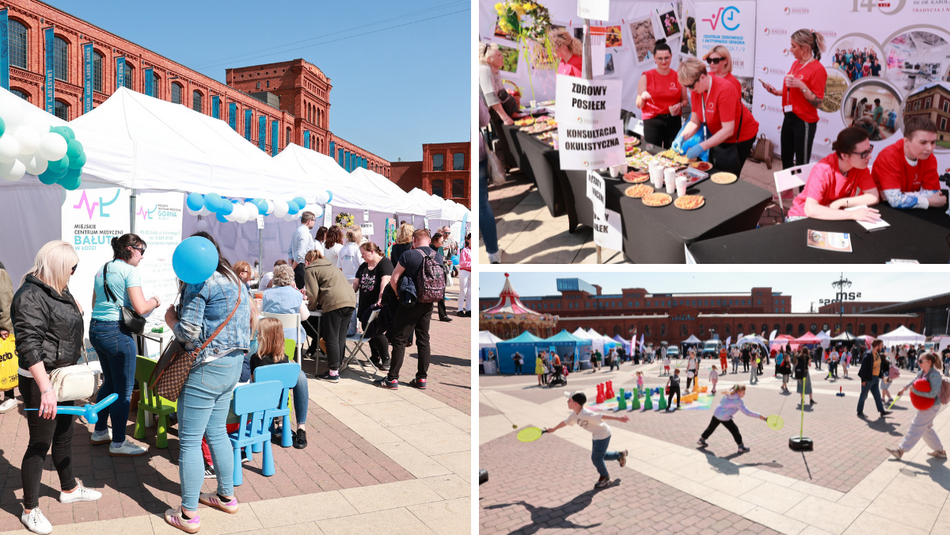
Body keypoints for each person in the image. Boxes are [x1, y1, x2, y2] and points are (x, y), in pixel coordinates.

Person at [162, 232, 253, 532]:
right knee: (217, 432)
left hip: (206, 368)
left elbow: (188, 332)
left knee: (189, 440)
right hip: (233, 364)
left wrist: (171, 319)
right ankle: (226, 495)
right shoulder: (237, 281)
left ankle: (187, 514)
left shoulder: (201, 281)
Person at [12, 241, 102, 534]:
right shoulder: (29, 296)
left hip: (64, 375)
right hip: (43, 380)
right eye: (71, 268)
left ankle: (69, 488)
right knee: (40, 443)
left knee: (65, 435)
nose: (74, 273)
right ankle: (30, 508)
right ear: (59, 267)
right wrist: (46, 389)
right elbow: (29, 346)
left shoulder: (58, 289)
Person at [88, 234, 159, 457]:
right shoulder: (130, 271)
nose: (142, 255)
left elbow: (94, 303)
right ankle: (118, 442)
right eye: (141, 250)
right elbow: (141, 308)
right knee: (124, 391)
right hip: (117, 332)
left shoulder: (103, 269)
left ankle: (100, 431)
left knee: (109, 382)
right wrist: (155, 301)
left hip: (96, 328)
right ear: (129, 249)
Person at [375, 229, 443, 390]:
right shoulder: (438, 256)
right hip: (428, 302)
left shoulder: (409, 255)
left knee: (399, 339)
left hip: (409, 302)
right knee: (423, 339)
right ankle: (421, 379)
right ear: (428, 240)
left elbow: (394, 278)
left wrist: (398, 295)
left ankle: (392, 378)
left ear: (414, 240)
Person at [675, 57, 760, 176]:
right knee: (715, 171)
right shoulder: (697, 90)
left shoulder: (724, 89)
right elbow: (694, 121)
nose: (690, 90)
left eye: (691, 86)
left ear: (702, 77)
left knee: (729, 175)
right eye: (686, 87)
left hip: (740, 136)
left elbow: (728, 130)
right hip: (720, 133)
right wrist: (682, 137)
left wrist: (701, 146)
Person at [759, 29, 827, 170]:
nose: (790, 49)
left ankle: (803, 192)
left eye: (794, 46)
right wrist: (777, 92)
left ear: (805, 48)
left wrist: (802, 86)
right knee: (786, 159)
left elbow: (818, 103)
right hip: (789, 118)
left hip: (805, 122)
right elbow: (791, 90)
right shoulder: (796, 64)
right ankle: (787, 192)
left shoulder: (818, 69)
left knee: (802, 164)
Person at [785, 127, 881, 222]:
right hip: (802, 218)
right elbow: (810, 209)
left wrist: (842, 202)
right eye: (864, 153)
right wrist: (852, 214)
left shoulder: (860, 166)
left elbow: (873, 196)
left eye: (869, 150)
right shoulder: (823, 170)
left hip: (831, 216)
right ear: (844, 156)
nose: (869, 156)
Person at [543, 391, 629, 489]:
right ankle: (620, 455)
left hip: (603, 434)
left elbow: (602, 416)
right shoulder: (574, 415)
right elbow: (565, 422)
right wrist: (554, 429)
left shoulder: (587, 414)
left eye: (569, 400)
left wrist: (619, 418)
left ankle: (605, 477)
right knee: (600, 456)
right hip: (597, 435)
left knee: (596, 458)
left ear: (575, 404)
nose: (567, 401)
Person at [250, 318, 309, 449]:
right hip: (280, 404)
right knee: (298, 377)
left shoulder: (255, 359)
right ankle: (294, 426)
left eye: (259, 333)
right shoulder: (284, 359)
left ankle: (275, 426)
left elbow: (252, 381)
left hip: (261, 404)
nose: (257, 336)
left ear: (264, 338)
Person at [871, 116, 947, 210]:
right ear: (906, 141)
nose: (930, 148)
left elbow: (934, 193)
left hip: (905, 210)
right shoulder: (889, 156)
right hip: (878, 207)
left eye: (933, 142)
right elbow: (895, 201)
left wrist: (901, 195)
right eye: (923, 142)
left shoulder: (929, 157)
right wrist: (928, 201)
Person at [303, 249, 356, 383]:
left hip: (334, 302)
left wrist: (311, 308)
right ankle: (338, 366)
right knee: (340, 337)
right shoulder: (330, 266)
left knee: (331, 337)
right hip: (350, 301)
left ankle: (333, 372)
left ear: (307, 261)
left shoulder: (310, 269)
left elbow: (313, 293)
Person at [886, 352, 946, 460]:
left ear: (929, 362)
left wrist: (916, 392)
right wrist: (904, 388)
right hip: (927, 405)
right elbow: (914, 381)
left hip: (931, 406)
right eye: (918, 361)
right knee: (926, 429)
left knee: (916, 426)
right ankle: (940, 451)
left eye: (920, 361)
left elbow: (932, 394)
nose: (918, 363)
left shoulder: (934, 375)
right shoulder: (923, 372)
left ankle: (900, 451)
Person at [636, 40, 687, 149]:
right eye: (660, 58)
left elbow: (685, 100)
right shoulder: (646, 76)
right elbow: (639, 105)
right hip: (652, 121)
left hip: (673, 120)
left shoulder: (678, 76)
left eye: (666, 58)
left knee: (673, 154)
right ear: (654, 58)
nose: (664, 61)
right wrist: (642, 96)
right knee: (652, 154)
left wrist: (680, 105)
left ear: (671, 56)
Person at [353, 242, 393, 371]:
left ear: (372, 251)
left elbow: (385, 282)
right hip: (364, 303)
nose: (362, 256)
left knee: (378, 331)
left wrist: (380, 297)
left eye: (364, 254)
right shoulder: (363, 266)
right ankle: (374, 356)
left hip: (377, 304)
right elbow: (355, 283)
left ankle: (386, 358)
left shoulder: (384, 263)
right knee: (367, 329)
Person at [478, 43, 518, 169]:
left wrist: (513, 109)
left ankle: (510, 160)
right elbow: (491, 97)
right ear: (490, 59)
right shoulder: (484, 69)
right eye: (499, 55)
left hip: (489, 110)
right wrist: (505, 117)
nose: (502, 57)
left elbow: (501, 93)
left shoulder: (495, 70)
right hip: (483, 112)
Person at [697, 385, 767, 453]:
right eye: (743, 392)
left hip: (716, 413)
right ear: (738, 392)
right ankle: (741, 447)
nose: (744, 394)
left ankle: (701, 439)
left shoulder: (729, 393)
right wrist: (760, 416)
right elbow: (747, 412)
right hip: (724, 417)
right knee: (735, 430)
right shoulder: (738, 401)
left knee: (711, 428)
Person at [261, 265, 309, 348]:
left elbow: (260, 314)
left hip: (270, 337)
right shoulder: (297, 294)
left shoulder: (266, 294)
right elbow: (305, 316)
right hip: (291, 338)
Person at [479, 96, 502, 264]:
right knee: (482, 205)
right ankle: (493, 254)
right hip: (478, 156)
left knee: (481, 206)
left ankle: (494, 253)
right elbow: (484, 119)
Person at [857, 340, 892, 419]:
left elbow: (879, 367)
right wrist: (863, 380)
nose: (882, 347)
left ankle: (882, 411)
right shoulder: (869, 355)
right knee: (864, 395)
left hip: (876, 379)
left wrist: (882, 375)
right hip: (868, 379)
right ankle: (859, 411)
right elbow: (863, 368)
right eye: (881, 345)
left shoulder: (878, 354)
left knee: (877, 395)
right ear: (877, 346)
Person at [0, 260, 18, 414]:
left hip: (1, 328)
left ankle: (9, 396)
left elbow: (6, 300)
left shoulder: (0, 272)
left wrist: (5, 326)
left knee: (5, 360)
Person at [430, 233, 452, 323]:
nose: (443, 242)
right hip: (432, 274)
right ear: (435, 241)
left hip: (441, 272)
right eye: (441, 241)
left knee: (441, 294)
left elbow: (441, 258)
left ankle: (443, 315)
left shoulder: (440, 248)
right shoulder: (430, 249)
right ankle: (427, 313)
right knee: (430, 293)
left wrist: (446, 261)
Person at [457, 233, 471, 317]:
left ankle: (469, 309)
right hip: (465, 272)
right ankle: (460, 309)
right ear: (468, 240)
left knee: (470, 292)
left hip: (473, 272)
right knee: (463, 291)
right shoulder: (465, 250)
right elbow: (462, 263)